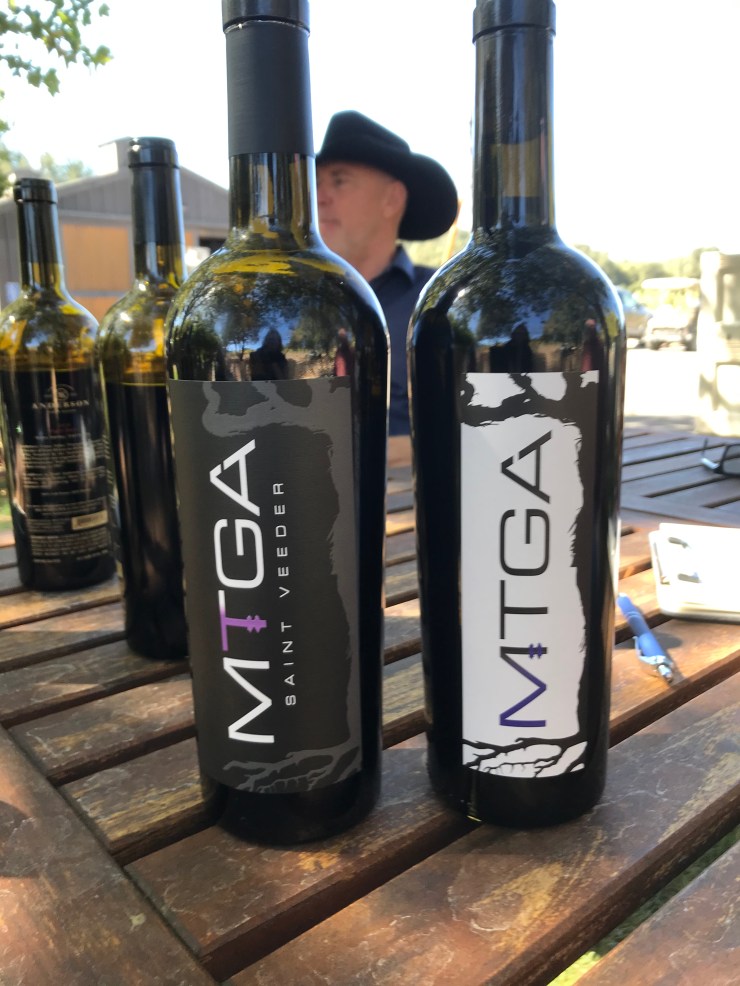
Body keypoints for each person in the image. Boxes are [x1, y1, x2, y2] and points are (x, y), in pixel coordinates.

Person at [316, 111, 458, 435]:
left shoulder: (442, 307)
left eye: (339, 180)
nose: (319, 197)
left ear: (392, 199)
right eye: (316, 182)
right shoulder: (291, 304)